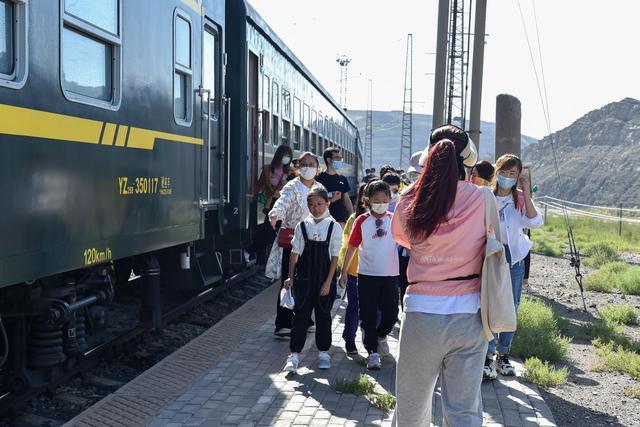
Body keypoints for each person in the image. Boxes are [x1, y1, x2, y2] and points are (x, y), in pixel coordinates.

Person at [391, 126, 487, 426]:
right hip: (470, 313)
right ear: (466, 158)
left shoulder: (409, 198)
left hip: (422, 312)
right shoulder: (483, 198)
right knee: (463, 409)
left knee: (412, 406)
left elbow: (404, 240)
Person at [484, 154, 543, 379]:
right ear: (496, 172)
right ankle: (488, 355)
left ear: (518, 177)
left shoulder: (519, 199)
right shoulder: (486, 197)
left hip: (515, 258)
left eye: (513, 174)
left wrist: (526, 195)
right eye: (504, 172)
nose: (507, 177)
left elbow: (535, 222)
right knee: (489, 305)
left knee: (512, 306)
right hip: (491, 256)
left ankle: (503, 355)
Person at [340, 180, 399, 370]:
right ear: (367, 200)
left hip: (390, 275)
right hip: (366, 276)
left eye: (384, 200)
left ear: (390, 199)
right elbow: (352, 247)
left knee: (391, 314)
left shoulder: (395, 219)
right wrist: (343, 271)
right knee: (367, 316)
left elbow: (408, 243)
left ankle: (381, 336)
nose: (381, 203)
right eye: (376, 200)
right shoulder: (361, 221)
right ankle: (372, 352)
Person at [283, 187, 342, 372]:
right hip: (304, 280)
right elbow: (295, 253)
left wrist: (328, 282)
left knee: (323, 316)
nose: (315, 208)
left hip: (325, 280)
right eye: (311, 205)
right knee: (300, 316)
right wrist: (290, 277)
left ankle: (323, 353)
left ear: (327, 204)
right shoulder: (302, 226)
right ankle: (294, 355)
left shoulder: (333, 227)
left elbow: (334, 257)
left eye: (319, 204)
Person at [266, 152, 323, 337]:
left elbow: (325, 211)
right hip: (293, 239)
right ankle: (283, 322)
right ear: (298, 167)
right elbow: (282, 202)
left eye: (312, 164)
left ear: (317, 167)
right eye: (304, 164)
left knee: (309, 281)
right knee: (289, 279)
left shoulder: (319, 187)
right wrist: (276, 214)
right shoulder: (292, 187)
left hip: (314, 241)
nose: (308, 167)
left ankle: (305, 319)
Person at [338, 183, 367, 355]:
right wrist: (344, 269)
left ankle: (372, 340)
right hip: (354, 271)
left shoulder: (385, 219)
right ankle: (349, 338)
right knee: (354, 307)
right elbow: (346, 246)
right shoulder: (354, 219)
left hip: (375, 272)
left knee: (375, 308)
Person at [255, 145, 294, 263]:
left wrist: (286, 184)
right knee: (268, 230)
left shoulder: (291, 172)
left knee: (279, 230)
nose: (287, 158)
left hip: (285, 204)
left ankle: (275, 256)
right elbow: (259, 185)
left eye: (289, 156)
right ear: (279, 155)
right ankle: (264, 255)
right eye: (285, 155)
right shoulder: (268, 169)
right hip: (271, 203)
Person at [315, 147, 354, 228]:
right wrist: (331, 198)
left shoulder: (342, 179)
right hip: (322, 220)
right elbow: (314, 200)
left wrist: (352, 217)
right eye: (337, 158)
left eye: (340, 158)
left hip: (339, 221)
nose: (340, 161)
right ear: (329, 160)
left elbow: (347, 200)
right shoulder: (318, 178)